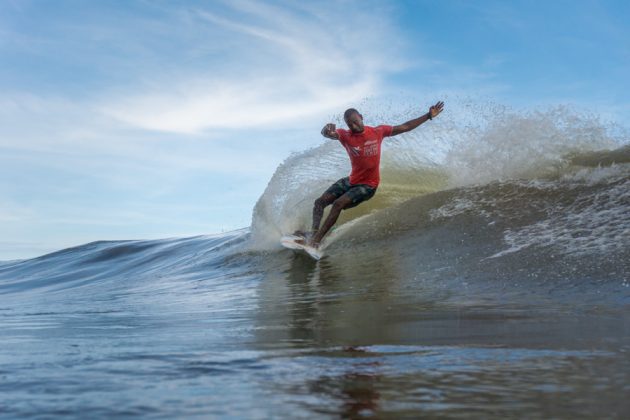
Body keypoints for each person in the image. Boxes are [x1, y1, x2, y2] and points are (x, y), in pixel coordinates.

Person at [301, 101, 444, 248]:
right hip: (351, 181)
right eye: (350, 125)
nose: (354, 126)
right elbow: (329, 134)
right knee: (319, 202)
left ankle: (316, 241)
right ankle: (314, 232)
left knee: (338, 204)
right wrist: (326, 130)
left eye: (355, 122)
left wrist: (428, 116)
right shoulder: (345, 135)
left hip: (368, 185)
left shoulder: (378, 132)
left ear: (361, 117)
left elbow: (405, 127)